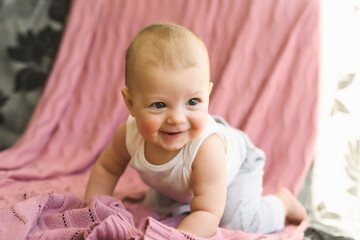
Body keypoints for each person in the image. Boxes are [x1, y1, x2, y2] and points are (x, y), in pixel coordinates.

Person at [84, 22, 308, 238]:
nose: (177, 119)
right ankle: (181, 199)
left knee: (238, 220)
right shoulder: (127, 135)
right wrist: (93, 210)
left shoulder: (207, 149)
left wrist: (175, 237)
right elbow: (107, 169)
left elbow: (208, 212)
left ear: (207, 95)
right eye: (159, 105)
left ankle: (282, 204)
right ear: (131, 103)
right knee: (153, 209)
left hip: (237, 167)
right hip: (182, 184)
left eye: (193, 102)